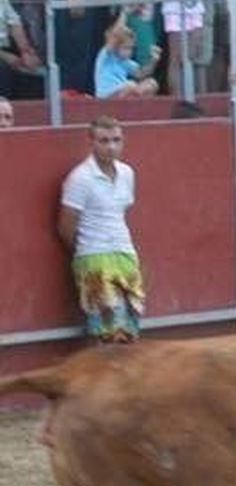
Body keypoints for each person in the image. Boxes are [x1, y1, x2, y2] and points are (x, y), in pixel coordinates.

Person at [58, 116, 143, 343]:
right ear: (91, 142)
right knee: (106, 332)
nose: (111, 147)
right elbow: (66, 225)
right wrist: (85, 253)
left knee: (130, 328)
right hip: (94, 257)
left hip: (125, 254)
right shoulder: (80, 178)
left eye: (116, 140)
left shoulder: (127, 173)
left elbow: (121, 213)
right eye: (104, 141)